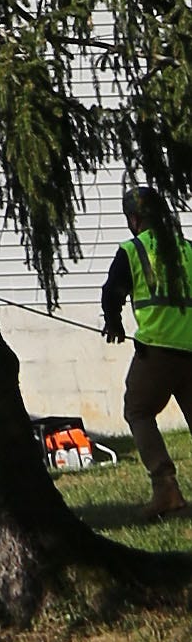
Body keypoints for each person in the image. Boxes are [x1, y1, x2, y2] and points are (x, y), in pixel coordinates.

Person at [103, 187, 192, 519]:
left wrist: (113, 322)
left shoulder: (133, 250)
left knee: (138, 411)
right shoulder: (187, 249)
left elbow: (112, 291)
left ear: (134, 219)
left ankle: (165, 488)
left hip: (157, 351)